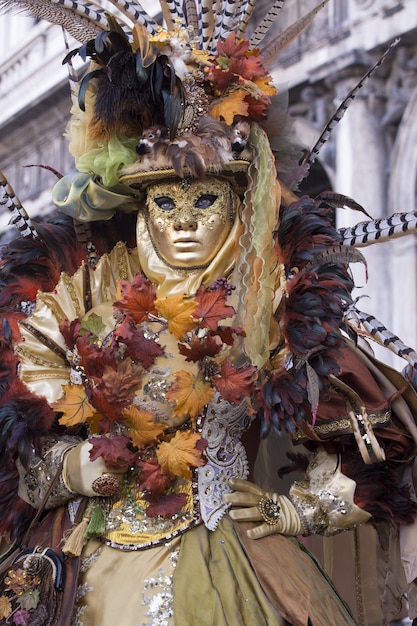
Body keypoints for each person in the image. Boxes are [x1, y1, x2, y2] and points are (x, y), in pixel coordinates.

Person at [0, 2, 417, 625]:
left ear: (238, 207)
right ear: (140, 210)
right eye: (165, 200)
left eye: (205, 198)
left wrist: (297, 510)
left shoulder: (274, 308)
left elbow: (376, 445)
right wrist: (71, 467)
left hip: (232, 562)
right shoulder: (79, 297)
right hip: (88, 563)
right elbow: (21, 443)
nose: (186, 221)